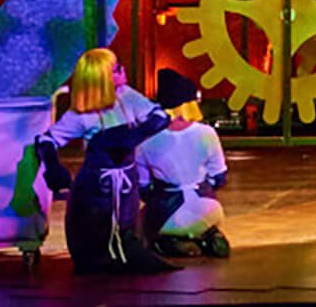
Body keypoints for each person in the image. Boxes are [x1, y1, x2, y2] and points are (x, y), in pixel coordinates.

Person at [35, 48, 174, 273]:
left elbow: (159, 115)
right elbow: (46, 140)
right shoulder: (81, 115)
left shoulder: (127, 96)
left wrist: (134, 135)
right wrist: (53, 167)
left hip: (126, 181)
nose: (123, 70)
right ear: (102, 79)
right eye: (116, 69)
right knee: (97, 234)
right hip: (97, 187)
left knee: (128, 228)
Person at [135, 69, 230, 258]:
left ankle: (170, 241)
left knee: (143, 221)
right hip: (208, 208)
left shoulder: (146, 140)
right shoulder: (207, 133)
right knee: (204, 214)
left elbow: (143, 188)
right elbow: (219, 177)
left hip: (168, 213)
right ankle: (207, 234)